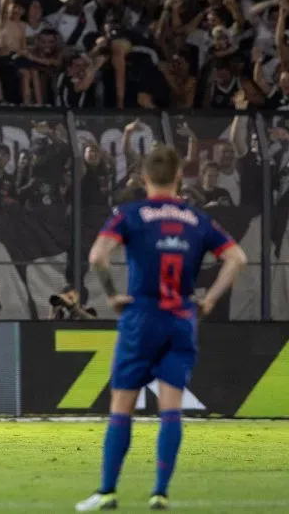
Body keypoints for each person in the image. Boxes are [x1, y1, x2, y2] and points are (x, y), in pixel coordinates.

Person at [75, 146, 247, 512]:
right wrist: (211, 299)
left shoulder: (130, 214)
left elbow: (97, 257)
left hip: (142, 315)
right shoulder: (197, 219)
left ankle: (107, 491)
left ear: (144, 177)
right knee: (171, 406)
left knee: (122, 404)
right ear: (179, 178)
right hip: (182, 317)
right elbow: (237, 258)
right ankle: (160, 493)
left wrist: (111, 295)